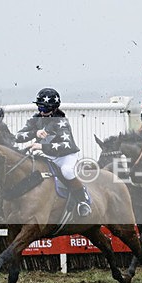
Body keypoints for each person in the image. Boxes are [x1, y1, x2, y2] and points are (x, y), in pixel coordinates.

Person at [14, 88, 92, 217]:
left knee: (67, 171)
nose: (41, 112)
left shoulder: (61, 122)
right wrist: (34, 133)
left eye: (44, 109)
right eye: (39, 107)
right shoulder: (36, 119)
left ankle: (82, 200)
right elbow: (18, 136)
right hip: (46, 156)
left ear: (54, 108)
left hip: (65, 156)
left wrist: (42, 146)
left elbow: (66, 146)